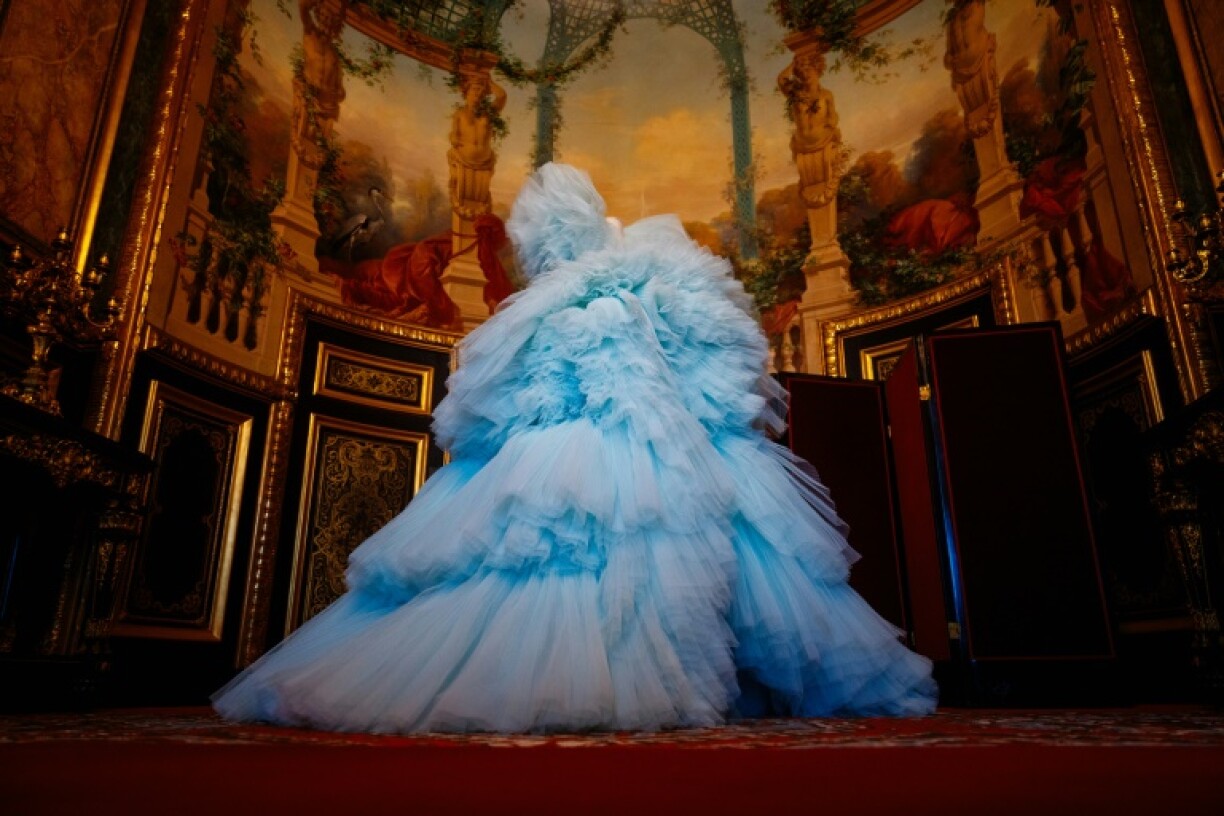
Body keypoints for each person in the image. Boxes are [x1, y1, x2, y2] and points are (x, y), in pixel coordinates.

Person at [212, 164, 937, 733]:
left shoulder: (572, 307)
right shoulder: (637, 291)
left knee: (546, 553)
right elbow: (709, 385)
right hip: (641, 449)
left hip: (586, 450)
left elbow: (536, 404)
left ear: (546, 246)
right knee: (688, 549)